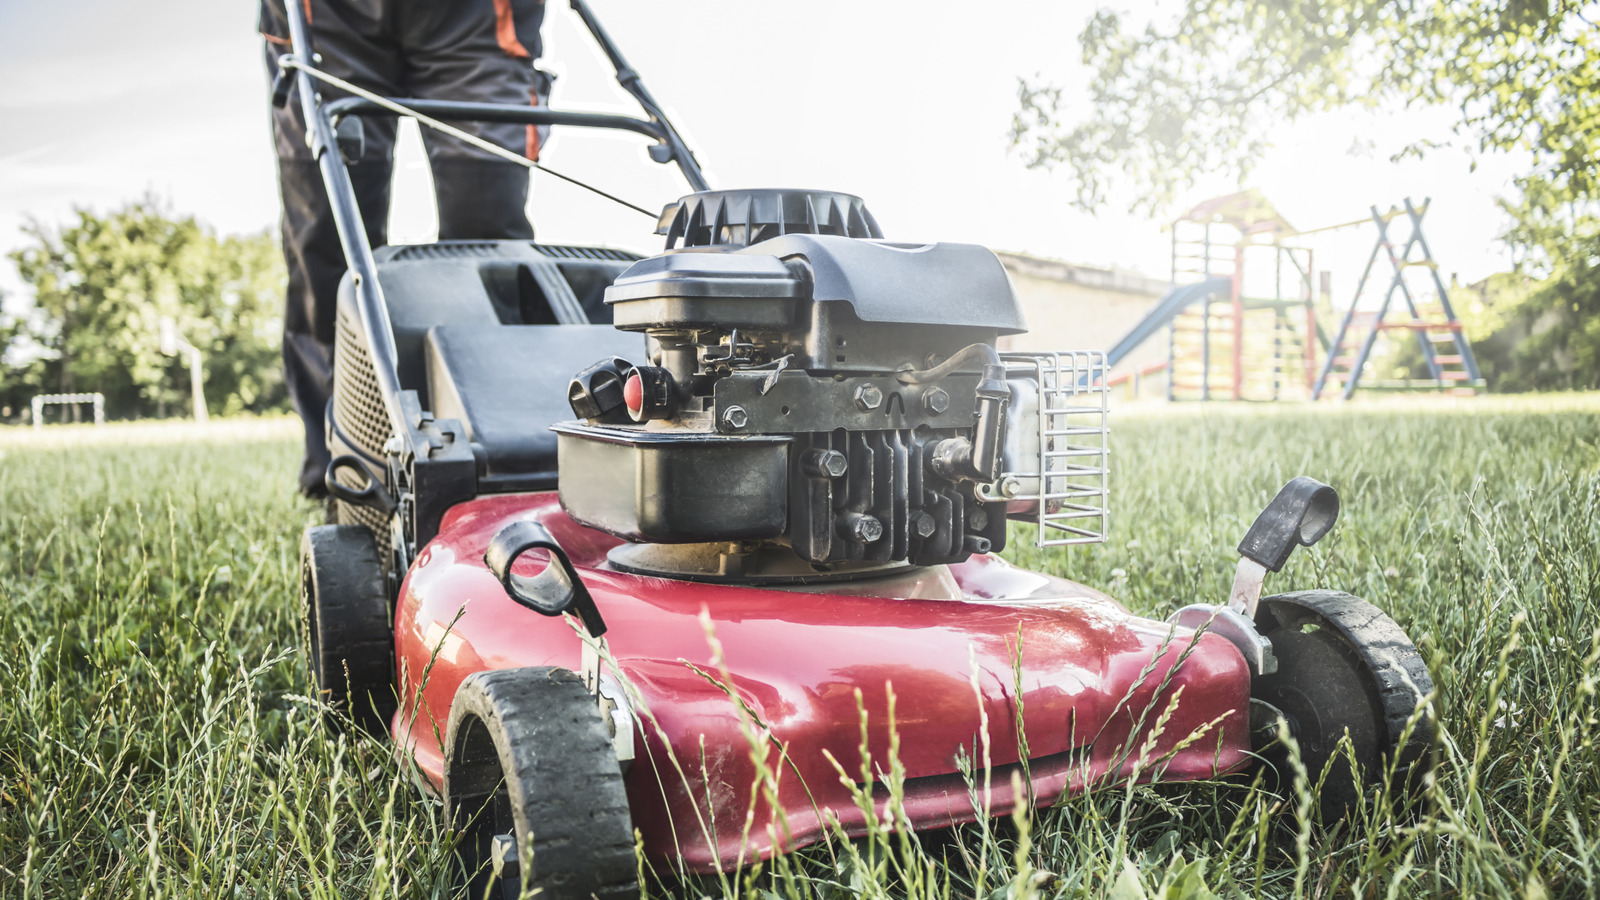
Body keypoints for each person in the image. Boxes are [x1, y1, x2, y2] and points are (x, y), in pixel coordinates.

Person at [260, 0, 550, 498]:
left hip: (476, 18)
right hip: (328, 16)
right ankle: (344, 469)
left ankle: (503, 457)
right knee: (327, 242)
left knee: (488, 240)